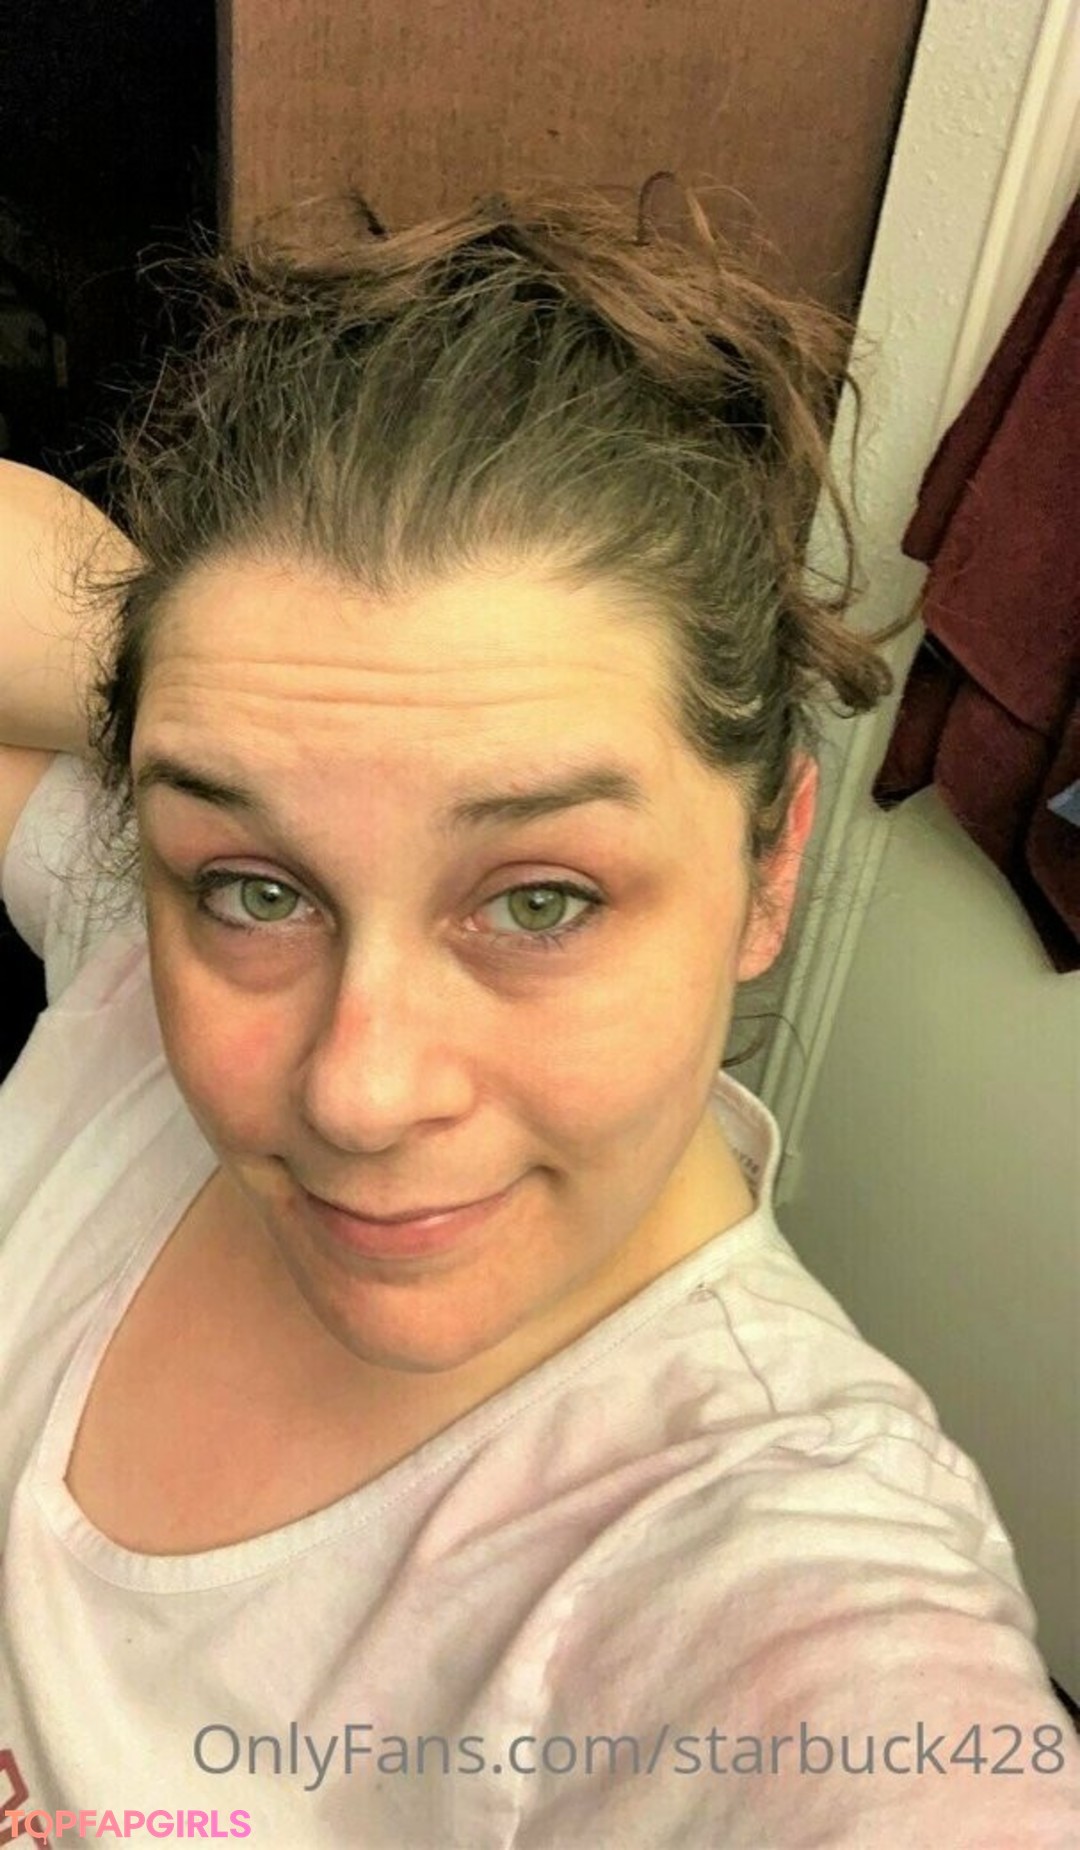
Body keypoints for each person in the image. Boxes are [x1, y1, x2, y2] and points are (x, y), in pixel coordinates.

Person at [0, 180, 1075, 1849]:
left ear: (768, 869)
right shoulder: (149, 962)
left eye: (540, 900)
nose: (357, 1091)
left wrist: (283, 757)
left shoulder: (778, 1600)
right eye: (260, 886)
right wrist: (208, 697)